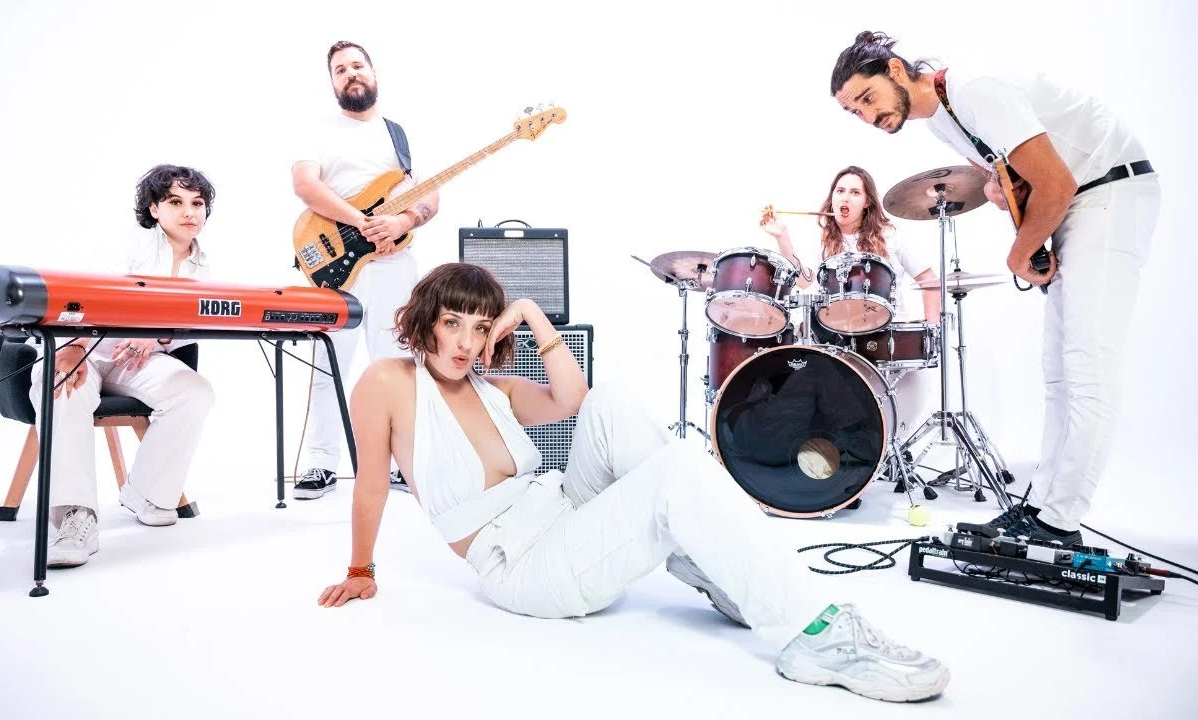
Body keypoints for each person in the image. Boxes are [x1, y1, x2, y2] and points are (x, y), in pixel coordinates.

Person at [316, 262, 950, 703]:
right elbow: (371, 482)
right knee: (673, 472)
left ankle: (728, 574)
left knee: (612, 402)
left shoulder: (495, 386)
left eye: (479, 327)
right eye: (452, 322)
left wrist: (532, 314)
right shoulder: (389, 382)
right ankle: (813, 635)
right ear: (426, 319)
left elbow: (574, 400)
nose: (464, 341)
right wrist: (361, 568)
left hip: (562, 509)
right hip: (524, 563)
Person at [829, 31, 1161, 546]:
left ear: (896, 70)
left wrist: (1019, 252)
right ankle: (1044, 506)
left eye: (868, 98)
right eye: (856, 113)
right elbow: (1022, 179)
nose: (869, 117)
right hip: (1078, 204)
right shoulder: (942, 120)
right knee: (1058, 375)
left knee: (1087, 365)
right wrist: (999, 188)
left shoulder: (974, 90)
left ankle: (1062, 520)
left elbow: (1055, 183)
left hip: (1109, 193)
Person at [34, 164, 217, 568]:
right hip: (87, 349)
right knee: (62, 385)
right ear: (154, 208)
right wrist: (74, 348)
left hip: (141, 361)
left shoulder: (204, 266)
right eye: (176, 202)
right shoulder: (125, 244)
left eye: (197, 203)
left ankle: (146, 492)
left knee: (195, 391)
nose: (190, 212)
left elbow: (193, 326)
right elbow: (82, 297)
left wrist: (155, 336)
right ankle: (75, 518)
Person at [290, 40, 439, 499]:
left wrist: (404, 219)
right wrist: (363, 222)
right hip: (337, 260)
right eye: (340, 70)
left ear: (373, 73)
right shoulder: (318, 132)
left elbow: (429, 195)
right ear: (333, 83)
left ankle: (399, 462)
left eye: (357, 65)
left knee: (396, 363)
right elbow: (305, 186)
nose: (350, 73)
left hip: (393, 264)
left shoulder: (398, 135)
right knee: (328, 363)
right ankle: (320, 462)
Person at [761, 165, 941, 439]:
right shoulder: (824, 238)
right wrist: (782, 238)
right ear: (832, 198)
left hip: (885, 335)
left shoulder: (891, 235)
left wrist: (931, 332)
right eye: (840, 191)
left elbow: (930, 281)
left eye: (855, 192)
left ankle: (878, 441)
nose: (845, 198)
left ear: (867, 202)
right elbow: (804, 279)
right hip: (838, 337)